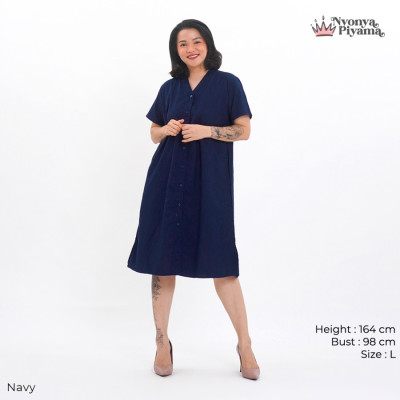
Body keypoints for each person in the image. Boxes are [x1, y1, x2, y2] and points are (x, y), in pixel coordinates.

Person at [127, 19, 260, 380]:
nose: (190, 48)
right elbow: (153, 133)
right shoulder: (169, 88)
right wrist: (165, 128)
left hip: (211, 184)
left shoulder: (228, 83)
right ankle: (161, 341)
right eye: (182, 43)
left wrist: (207, 131)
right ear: (176, 51)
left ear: (208, 44)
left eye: (196, 41)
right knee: (161, 261)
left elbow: (244, 131)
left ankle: (245, 343)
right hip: (166, 181)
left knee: (223, 264)